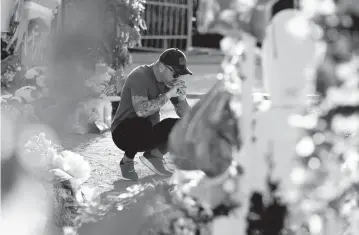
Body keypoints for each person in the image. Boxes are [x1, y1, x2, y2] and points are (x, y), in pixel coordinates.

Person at [111, 48, 192, 180]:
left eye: (180, 74)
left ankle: (154, 156)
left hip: (148, 133)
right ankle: (127, 160)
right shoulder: (140, 76)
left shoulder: (168, 82)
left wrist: (182, 98)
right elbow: (141, 111)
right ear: (161, 67)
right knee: (142, 123)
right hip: (122, 133)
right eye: (176, 73)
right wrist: (170, 94)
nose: (178, 77)